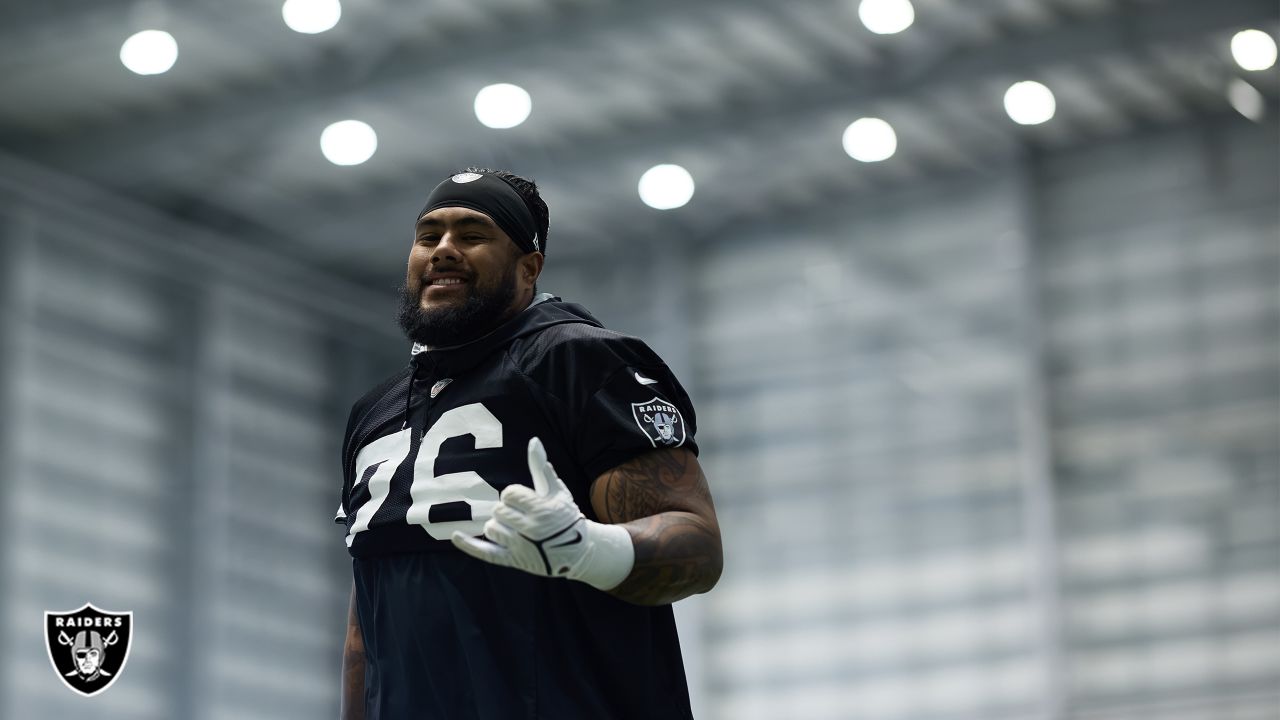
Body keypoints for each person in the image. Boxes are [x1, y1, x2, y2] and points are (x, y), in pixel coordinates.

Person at [335, 167, 723, 719]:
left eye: (472, 235)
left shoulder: (578, 360)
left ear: (528, 267)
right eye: (429, 236)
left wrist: (590, 551)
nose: (443, 249)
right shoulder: (374, 413)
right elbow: (364, 625)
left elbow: (699, 545)